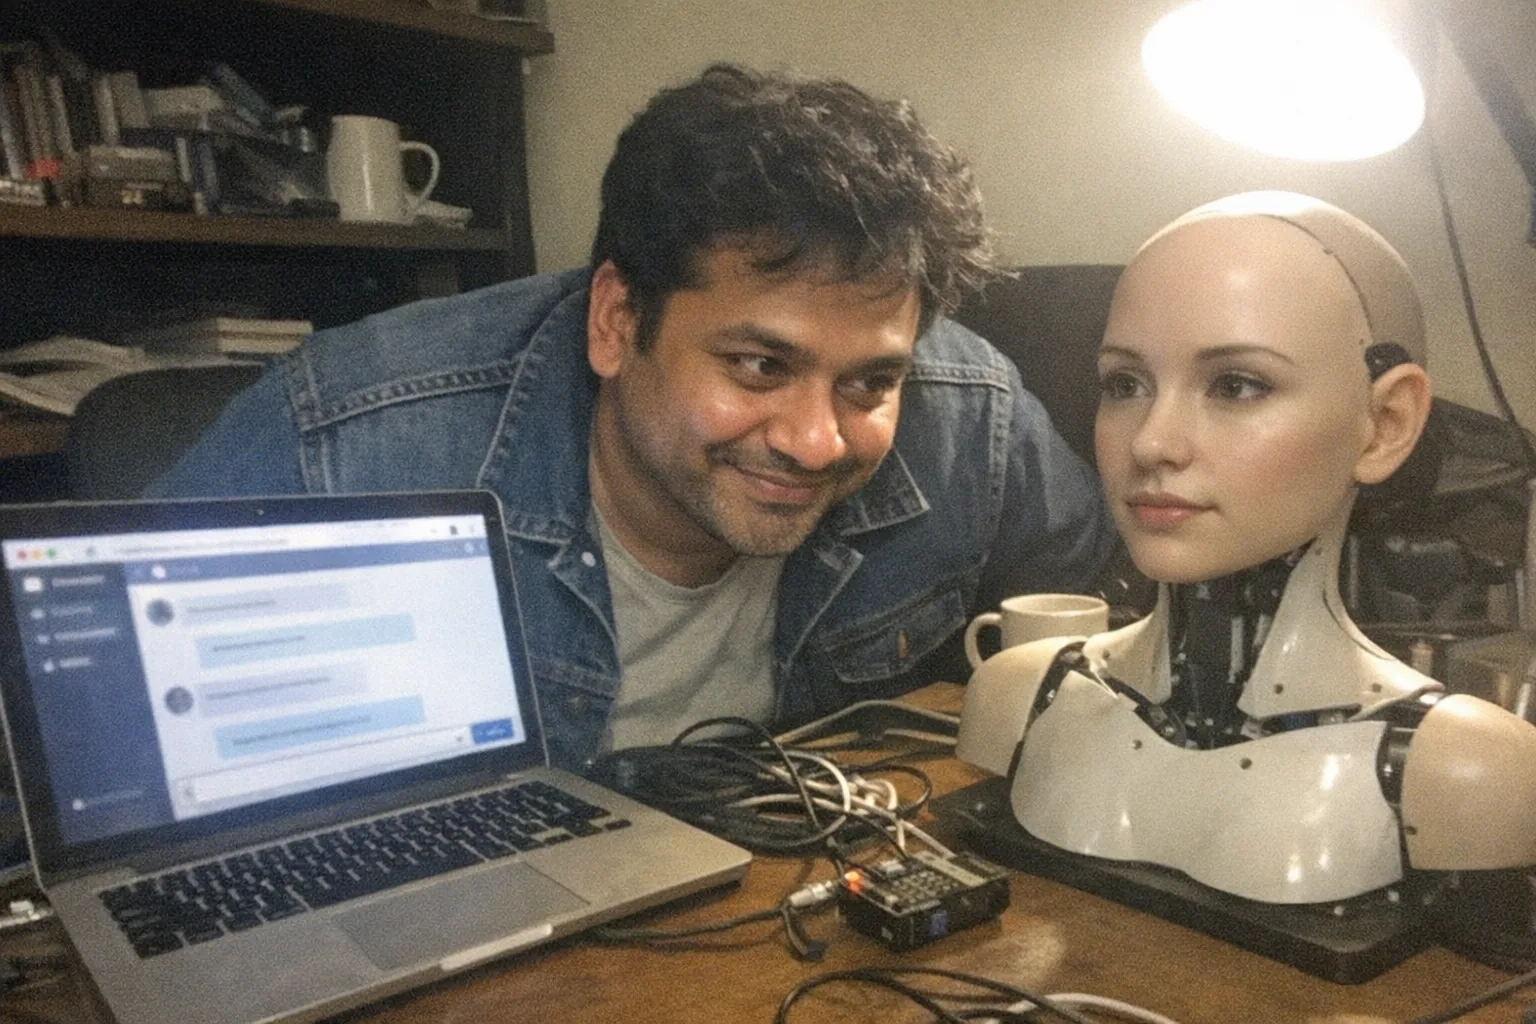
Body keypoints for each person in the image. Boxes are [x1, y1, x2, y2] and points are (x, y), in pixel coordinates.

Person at [151, 64, 1116, 772]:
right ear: (618, 321)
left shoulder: (967, 411)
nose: (817, 440)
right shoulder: (348, 438)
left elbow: (1113, 638)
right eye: (757, 365)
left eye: (867, 384)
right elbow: (85, 768)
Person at [957, 191, 1536, 905]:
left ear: (1385, 423)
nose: (1152, 442)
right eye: (1125, 384)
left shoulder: (1464, 771)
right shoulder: (1020, 699)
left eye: (1237, 385)